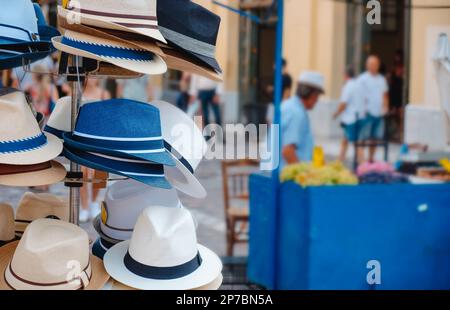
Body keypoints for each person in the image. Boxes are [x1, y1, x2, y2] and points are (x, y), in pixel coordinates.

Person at [79, 78, 111, 223]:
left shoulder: (104, 93)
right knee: (82, 172)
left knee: (100, 172)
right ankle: (84, 206)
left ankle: (93, 202)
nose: (91, 78)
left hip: (99, 138)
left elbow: (108, 118)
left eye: (94, 75)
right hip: (82, 137)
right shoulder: (78, 92)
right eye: (89, 75)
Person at [281, 71, 325, 167]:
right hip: (283, 176)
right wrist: (304, 175)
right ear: (312, 95)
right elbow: (288, 151)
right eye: (317, 96)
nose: (317, 100)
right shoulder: (296, 113)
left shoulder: (289, 106)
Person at [357, 55, 389, 162]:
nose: (373, 66)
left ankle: (371, 159)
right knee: (363, 139)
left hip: (379, 114)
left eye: (375, 64)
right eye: (370, 64)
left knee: (375, 139)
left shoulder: (381, 79)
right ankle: (362, 161)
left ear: (378, 66)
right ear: (366, 65)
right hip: (366, 113)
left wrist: (385, 108)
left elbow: (385, 95)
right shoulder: (362, 79)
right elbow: (359, 96)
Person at [333, 67, 364, 163]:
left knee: (356, 142)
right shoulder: (359, 85)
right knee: (346, 140)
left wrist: (336, 113)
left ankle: (362, 163)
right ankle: (340, 159)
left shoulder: (348, 86)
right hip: (359, 117)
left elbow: (343, 104)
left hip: (350, 118)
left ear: (346, 75)